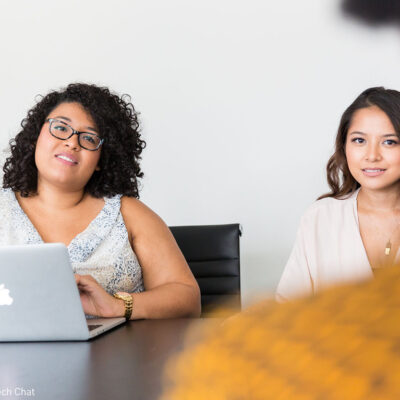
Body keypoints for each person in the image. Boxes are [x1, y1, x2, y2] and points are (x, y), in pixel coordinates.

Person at [1, 83, 201, 319]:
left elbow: (188, 297)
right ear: (36, 136)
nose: (72, 143)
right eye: (61, 128)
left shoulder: (130, 214)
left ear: (100, 160)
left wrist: (117, 306)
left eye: (88, 138)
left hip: (118, 354)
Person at [276, 86, 400, 301]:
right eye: (359, 140)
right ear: (344, 146)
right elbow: (286, 306)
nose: (372, 156)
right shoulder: (321, 217)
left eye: (389, 142)